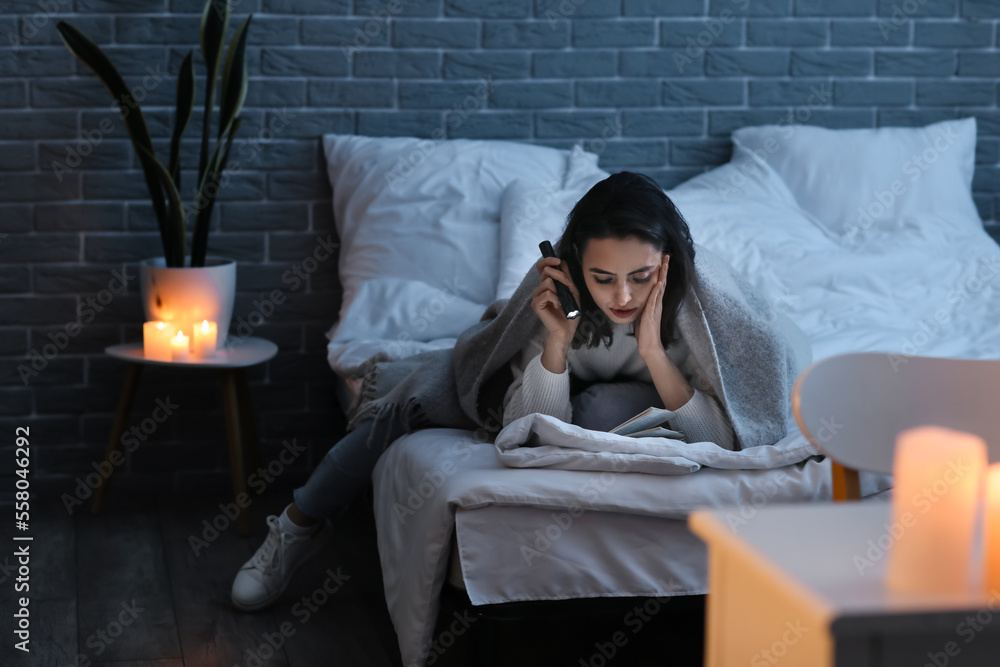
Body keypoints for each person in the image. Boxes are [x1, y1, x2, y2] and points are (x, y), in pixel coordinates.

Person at [230, 172, 734, 612]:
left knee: (604, 408)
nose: (622, 297)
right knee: (410, 401)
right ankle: (298, 524)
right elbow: (528, 430)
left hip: (643, 391)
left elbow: (726, 437)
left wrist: (653, 352)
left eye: (641, 277)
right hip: (560, 376)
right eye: (603, 278)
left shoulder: (696, 309)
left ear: (667, 264)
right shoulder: (558, 296)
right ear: (576, 266)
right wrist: (556, 343)